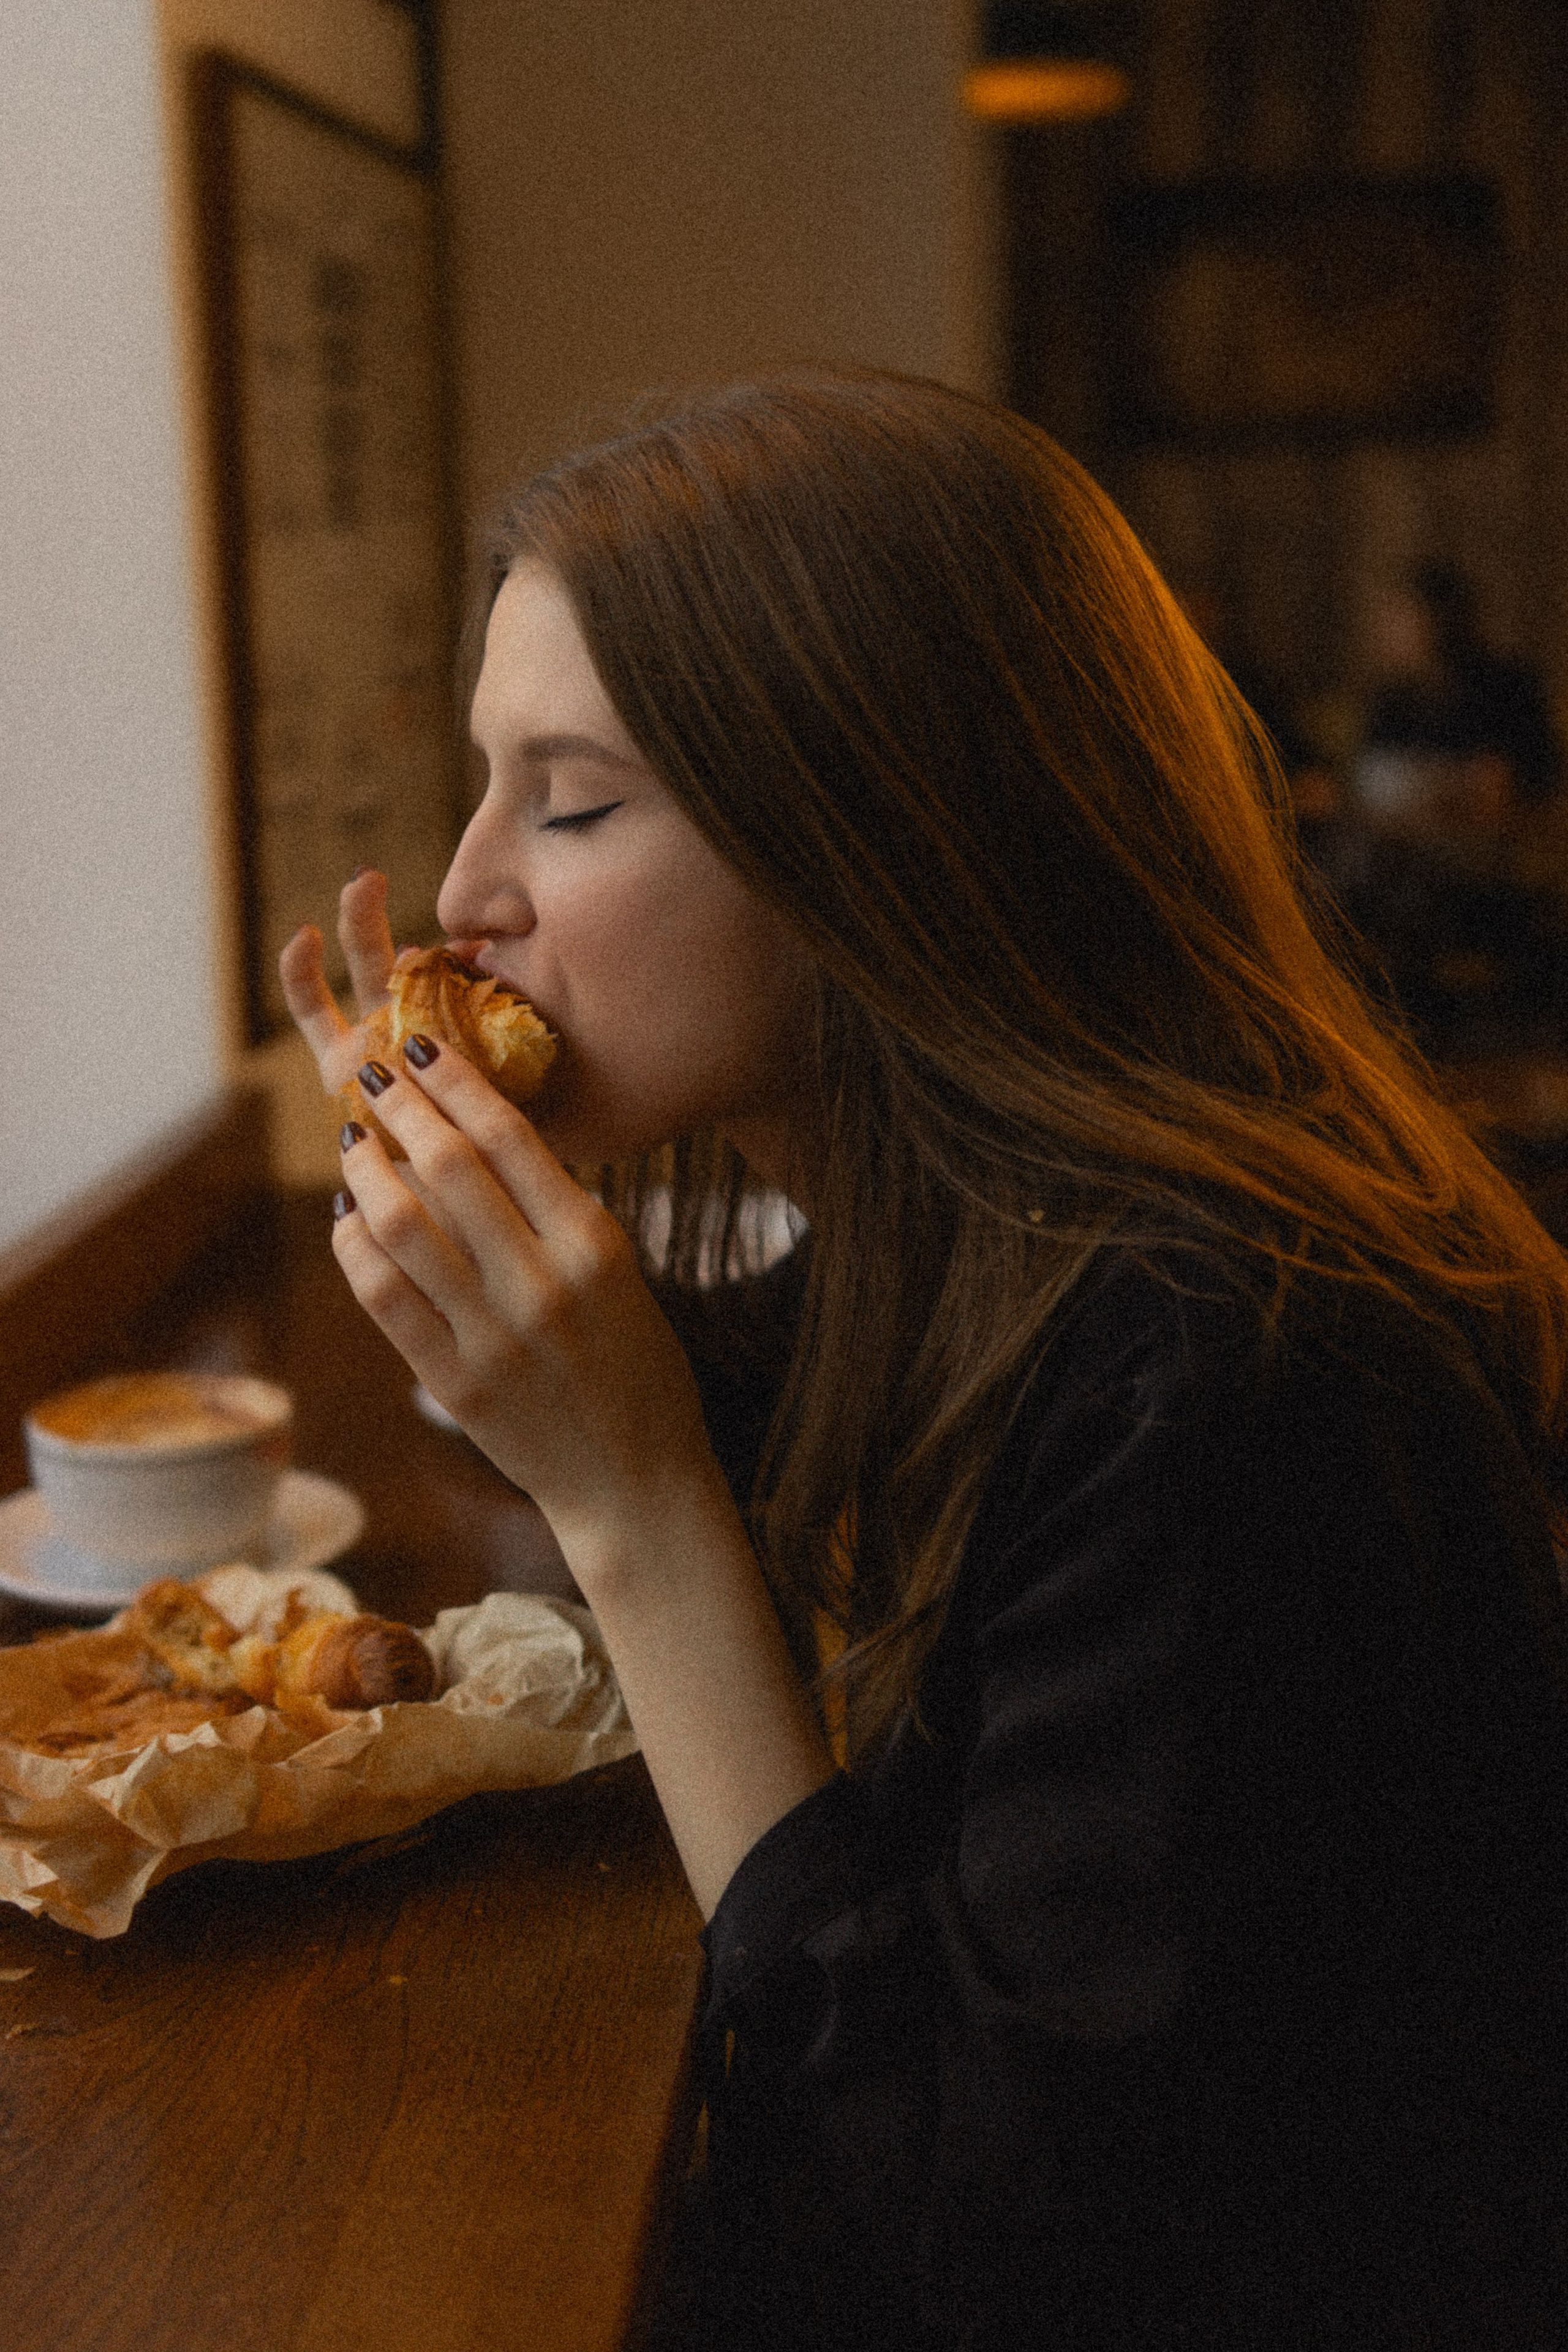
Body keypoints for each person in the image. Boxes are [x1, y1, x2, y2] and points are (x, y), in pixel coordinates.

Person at [279, 373, 1568, 2351]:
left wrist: (623, 1502)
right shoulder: (984, 1243)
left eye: (576, 800)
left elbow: (972, 2251)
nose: (466, 896)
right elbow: (727, 1389)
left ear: (876, 835)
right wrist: (471, 1273)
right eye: (484, 781)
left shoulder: (1235, 1358)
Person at [1349, 564, 1568, 1054]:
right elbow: (1370, 782)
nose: (1387, 630)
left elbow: (1530, 782)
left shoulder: (1505, 688)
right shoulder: (1395, 699)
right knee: (1363, 882)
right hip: (1407, 857)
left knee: (1398, 893)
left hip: (1498, 863)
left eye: (1400, 617)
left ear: (1436, 621)